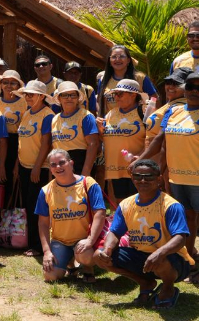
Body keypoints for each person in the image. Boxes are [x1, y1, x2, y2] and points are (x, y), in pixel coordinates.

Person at [94, 159, 194, 308]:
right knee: (99, 256)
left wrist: (159, 253)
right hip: (142, 256)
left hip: (174, 260)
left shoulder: (171, 205)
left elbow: (180, 238)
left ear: (159, 179)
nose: (142, 180)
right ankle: (145, 282)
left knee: (159, 259)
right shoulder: (126, 204)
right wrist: (107, 250)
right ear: (132, 178)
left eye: (148, 177)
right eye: (137, 176)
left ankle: (168, 288)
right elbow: (114, 233)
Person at [137, 72, 199, 270]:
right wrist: (144, 162)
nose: (194, 91)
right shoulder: (173, 111)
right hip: (177, 179)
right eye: (190, 86)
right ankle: (189, 260)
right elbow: (161, 142)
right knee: (187, 220)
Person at [36, 149, 105, 282]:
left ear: (71, 163)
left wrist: (90, 240)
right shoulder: (45, 191)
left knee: (86, 255)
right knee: (50, 276)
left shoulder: (88, 183)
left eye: (62, 162)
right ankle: (70, 264)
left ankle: (87, 268)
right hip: (60, 241)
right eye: (53, 164)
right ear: (50, 169)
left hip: (84, 240)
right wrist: (47, 252)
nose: (58, 167)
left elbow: (100, 213)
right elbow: (43, 223)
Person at [14, 81, 55, 255]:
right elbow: (21, 142)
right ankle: (30, 242)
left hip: (39, 168)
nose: (27, 97)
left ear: (41, 96)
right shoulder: (27, 113)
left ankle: (38, 246)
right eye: (26, 94)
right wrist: (17, 165)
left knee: (37, 207)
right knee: (28, 205)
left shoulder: (48, 115)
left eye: (31, 94)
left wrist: (37, 167)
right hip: (24, 166)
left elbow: (46, 144)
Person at [97, 79, 147, 204]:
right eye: (115, 94)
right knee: (122, 204)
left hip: (137, 168)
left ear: (133, 95)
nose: (116, 97)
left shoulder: (144, 112)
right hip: (115, 169)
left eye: (120, 94)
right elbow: (105, 138)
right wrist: (100, 130)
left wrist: (141, 156)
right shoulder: (111, 113)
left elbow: (152, 139)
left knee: (139, 203)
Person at [0, 70, 26, 203]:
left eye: (13, 83)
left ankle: (12, 213)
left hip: (18, 143)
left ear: (18, 85)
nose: (9, 85)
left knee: (14, 178)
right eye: (5, 82)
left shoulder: (24, 103)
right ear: (0, 85)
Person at [51, 82, 99, 177]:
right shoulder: (55, 119)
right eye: (65, 95)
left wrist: (86, 172)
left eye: (73, 95)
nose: (69, 98)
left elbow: (93, 144)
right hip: (59, 166)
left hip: (81, 164)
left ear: (78, 98)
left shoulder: (86, 116)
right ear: (59, 98)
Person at [97, 45, 158, 116]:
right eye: (114, 57)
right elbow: (99, 101)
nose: (118, 59)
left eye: (122, 56)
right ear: (109, 61)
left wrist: (150, 117)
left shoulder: (140, 78)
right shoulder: (103, 80)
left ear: (128, 60)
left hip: (136, 121)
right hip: (111, 121)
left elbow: (154, 98)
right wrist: (100, 117)